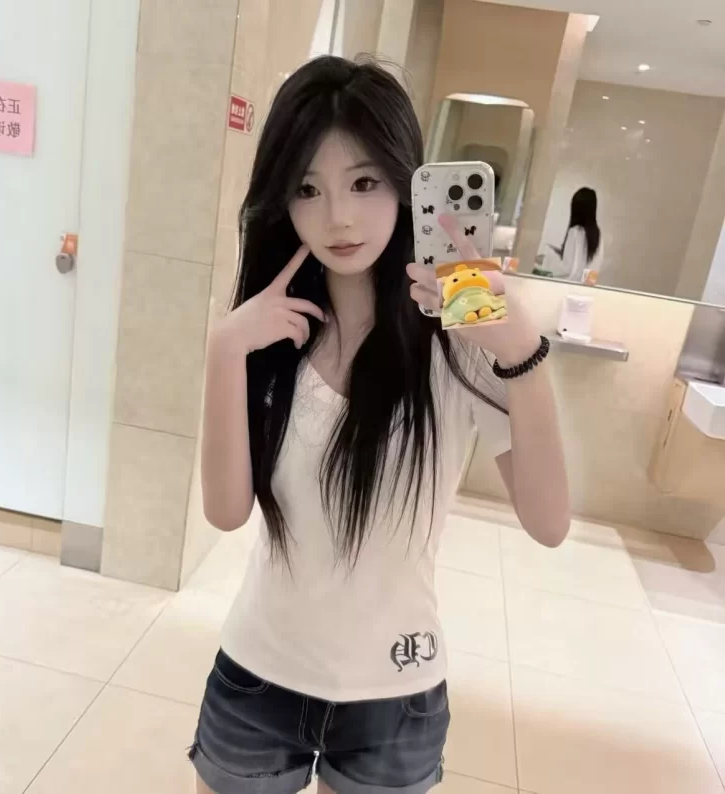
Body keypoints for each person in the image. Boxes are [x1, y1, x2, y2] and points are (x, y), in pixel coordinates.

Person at [193, 55, 569, 794]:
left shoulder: (460, 335)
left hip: (397, 692)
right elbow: (227, 512)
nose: (338, 216)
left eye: (364, 183)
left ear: (406, 181)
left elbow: (549, 522)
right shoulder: (270, 334)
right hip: (258, 675)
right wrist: (223, 349)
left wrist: (523, 352)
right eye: (308, 189)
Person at [553, 187, 604, 285]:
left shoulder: (574, 232)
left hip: (568, 287)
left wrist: (550, 266)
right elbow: (595, 267)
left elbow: (567, 269)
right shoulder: (598, 235)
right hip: (586, 288)